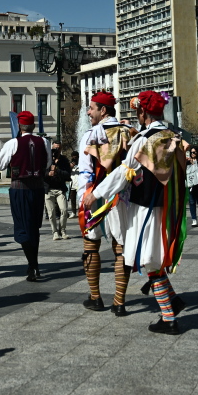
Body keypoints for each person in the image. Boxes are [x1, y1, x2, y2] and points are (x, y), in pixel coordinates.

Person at [85, 91, 189, 334]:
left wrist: (96, 193)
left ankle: (168, 318)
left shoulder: (145, 140)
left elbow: (123, 172)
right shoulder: (172, 135)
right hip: (166, 207)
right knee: (153, 257)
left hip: (146, 209)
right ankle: (173, 301)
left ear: (143, 113)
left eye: (137, 112)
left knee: (149, 261)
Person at [77, 91, 132, 314]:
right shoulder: (129, 131)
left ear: (103, 110)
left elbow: (85, 171)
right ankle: (119, 302)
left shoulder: (91, 135)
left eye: (91, 108)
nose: (88, 112)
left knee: (91, 247)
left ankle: (95, 297)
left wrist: (83, 199)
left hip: (95, 197)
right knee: (120, 250)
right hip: (122, 198)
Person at [0, 111, 51, 281]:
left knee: (22, 227)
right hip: (38, 188)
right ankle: (34, 265)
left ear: (19, 126)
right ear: (33, 126)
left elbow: (0, 165)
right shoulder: (44, 141)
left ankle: (32, 265)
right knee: (34, 227)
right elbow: (47, 164)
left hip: (20, 188)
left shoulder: (13, 143)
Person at [44, 141, 72, 240]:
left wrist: (57, 170)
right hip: (49, 189)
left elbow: (68, 175)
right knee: (51, 213)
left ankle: (63, 231)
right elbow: (41, 173)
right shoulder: (46, 159)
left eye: (58, 148)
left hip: (60, 189)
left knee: (64, 210)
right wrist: (48, 173)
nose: (56, 150)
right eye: (55, 148)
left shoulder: (64, 160)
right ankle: (55, 232)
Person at [68, 153, 80, 219]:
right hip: (72, 184)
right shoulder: (70, 165)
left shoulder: (81, 164)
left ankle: (80, 211)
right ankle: (73, 212)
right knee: (72, 199)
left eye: (76, 157)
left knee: (80, 199)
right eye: (73, 157)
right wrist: (70, 166)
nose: (74, 159)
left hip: (79, 184)